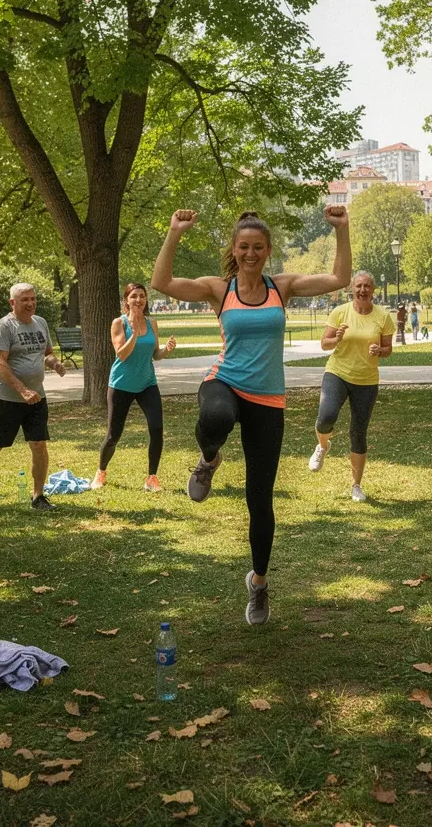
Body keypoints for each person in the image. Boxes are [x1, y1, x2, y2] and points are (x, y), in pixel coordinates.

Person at [151, 206, 350, 626]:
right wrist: (174, 233)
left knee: (259, 501)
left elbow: (339, 280)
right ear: (234, 249)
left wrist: (342, 231)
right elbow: (161, 282)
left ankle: (258, 583)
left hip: (267, 400)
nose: (251, 253)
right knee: (217, 417)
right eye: (244, 246)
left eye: (258, 247)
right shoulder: (218, 289)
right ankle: (208, 460)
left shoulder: (284, 286)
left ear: (268, 250)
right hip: (224, 381)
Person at [0, 283, 66, 513]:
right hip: (7, 399)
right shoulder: (4, 327)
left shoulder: (41, 323)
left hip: (37, 397)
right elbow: (1, 364)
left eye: (33, 299)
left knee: (39, 445)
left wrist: (55, 363)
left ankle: (38, 496)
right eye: (24, 300)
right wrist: (22, 390)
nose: (30, 303)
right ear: (13, 303)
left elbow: (47, 354)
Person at [308, 272, 393, 502]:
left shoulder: (383, 316)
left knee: (358, 432)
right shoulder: (340, 312)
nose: (363, 290)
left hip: (366, 380)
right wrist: (336, 338)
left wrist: (380, 351)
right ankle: (323, 446)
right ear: (352, 289)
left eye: (367, 286)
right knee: (326, 417)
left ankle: (356, 485)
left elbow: (388, 349)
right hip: (337, 373)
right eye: (358, 286)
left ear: (373, 289)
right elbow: (324, 344)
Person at [92, 283, 177, 492]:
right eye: (134, 296)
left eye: (142, 296)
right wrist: (135, 334)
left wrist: (166, 349)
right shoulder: (118, 323)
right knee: (114, 435)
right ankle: (100, 472)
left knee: (157, 429)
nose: (138, 300)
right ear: (126, 301)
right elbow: (121, 353)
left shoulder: (152, 323)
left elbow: (154, 354)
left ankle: (151, 478)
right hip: (121, 385)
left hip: (147, 383)